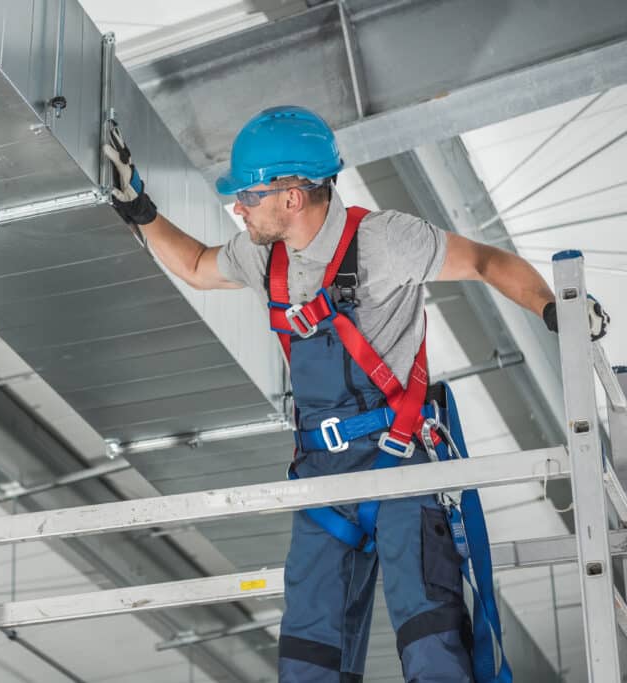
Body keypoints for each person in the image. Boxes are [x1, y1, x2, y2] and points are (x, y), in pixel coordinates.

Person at [103, 106, 609, 683]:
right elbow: (195, 264)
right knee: (308, 656)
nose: (237, 208)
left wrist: (553, 308)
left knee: (431, 639)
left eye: (247, 194)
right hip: (323, 475)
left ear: (291, 197)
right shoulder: (263, 254)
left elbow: (486, 261)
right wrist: (136, 207)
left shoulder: (386, 240)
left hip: (400, 462)